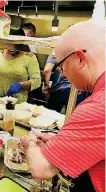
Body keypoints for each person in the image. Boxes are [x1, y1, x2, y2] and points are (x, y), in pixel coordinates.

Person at [20, 22, 105, 192]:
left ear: (80, 58)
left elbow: (41, 168)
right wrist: (60, 143)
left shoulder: (97, 107)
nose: (63, 74)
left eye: (62, 66)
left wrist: (29, 141)